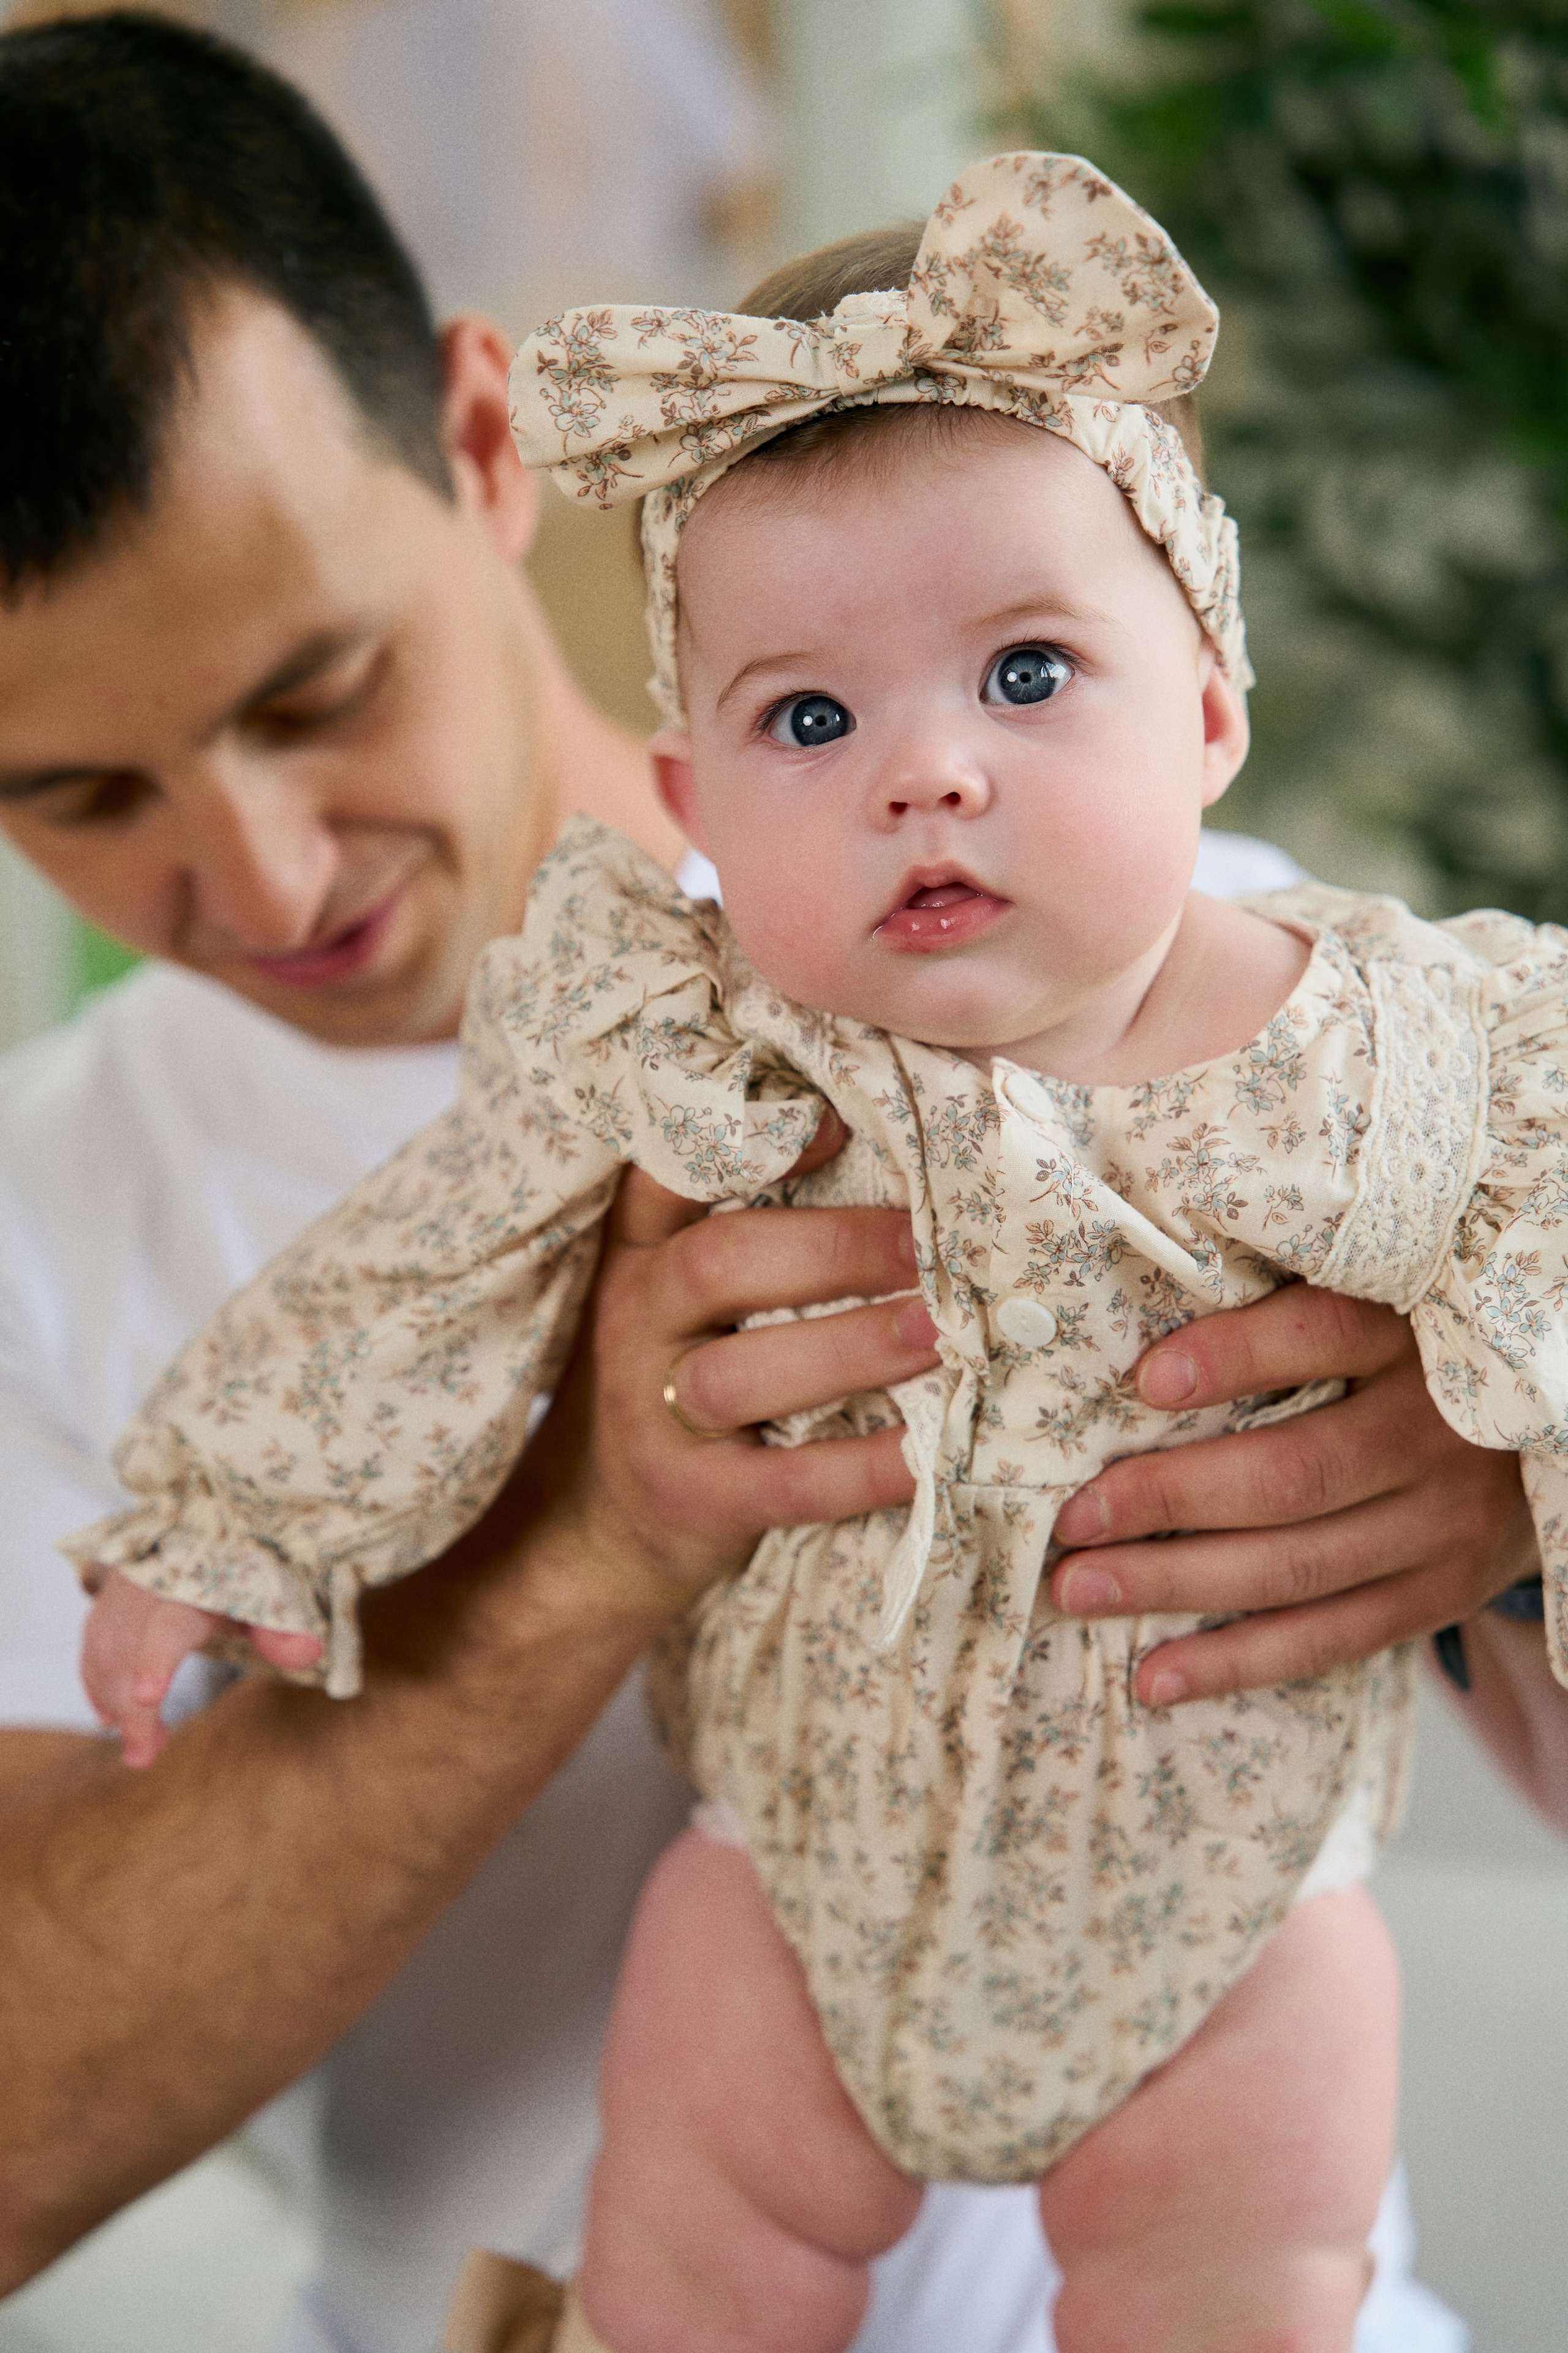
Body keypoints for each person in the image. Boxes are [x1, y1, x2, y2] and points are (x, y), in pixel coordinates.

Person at [0, 18, 1529, 2353]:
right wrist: (389, 1532)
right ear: (709, 765)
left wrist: (1516, 1443)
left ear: (489, 442)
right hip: (755, 1925)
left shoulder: (1293, 981)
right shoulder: (605, 1073)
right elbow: (400, 1293)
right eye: (79, 796)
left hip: (1216, 1911)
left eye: (318, 688)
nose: (258, 864)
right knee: (701, 2197)